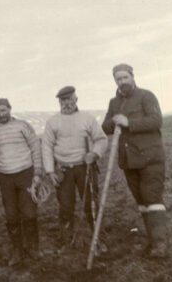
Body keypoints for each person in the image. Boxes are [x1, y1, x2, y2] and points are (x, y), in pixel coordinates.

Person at [102, 64, 168, 258]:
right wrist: (114, 120)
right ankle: (152, 241)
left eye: (124, 77)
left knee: (152, 199)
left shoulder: (146, 96)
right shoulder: (113, 103)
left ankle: (160, 245)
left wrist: (129, 123)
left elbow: (156, 121)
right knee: (141, 201)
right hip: (129, 162)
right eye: (118, 79)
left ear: (132, 76)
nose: (122, 82)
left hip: (150, 159)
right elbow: (105, 127)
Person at [42, 86, 107, 250]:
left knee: (91, 204)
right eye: (63, 100)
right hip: (64, 171)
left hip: (85, 168)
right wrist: (50, 171)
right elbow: (47, 147)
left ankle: (98, 237)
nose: (67, 103)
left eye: (70, 99)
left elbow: (101, 139)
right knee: (65, 206)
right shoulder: (52, 122)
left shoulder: (87, 118)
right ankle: (66, 240)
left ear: (76, 99)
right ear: (59, 102)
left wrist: (94, 154)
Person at [0, 98, 43, 266]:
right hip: (5, 177)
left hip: (25, 174)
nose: (1, 114)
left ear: (10, 109)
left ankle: (32, 247)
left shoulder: (22, 126)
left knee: (29, 213)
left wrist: (38, 172)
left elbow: (35, 148)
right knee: (11, 216)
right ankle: (17, 250)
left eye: (3, 110)